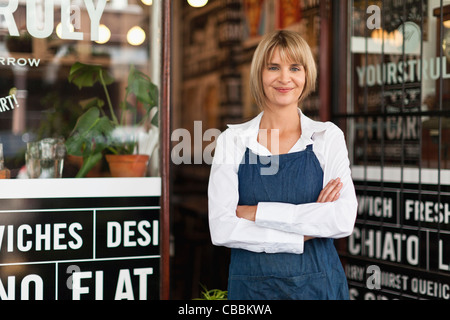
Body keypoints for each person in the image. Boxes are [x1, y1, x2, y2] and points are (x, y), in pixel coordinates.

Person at [208, 30, 357, 300]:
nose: (285, 78)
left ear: (306, 74)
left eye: (294, 68)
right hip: (252, 293)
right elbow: (222, 229)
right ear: (259, 74)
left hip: (319, 287)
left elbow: (342, 219)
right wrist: (302, 233)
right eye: (273, 67)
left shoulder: (326, 137)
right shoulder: (233, 141)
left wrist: (255, 213)